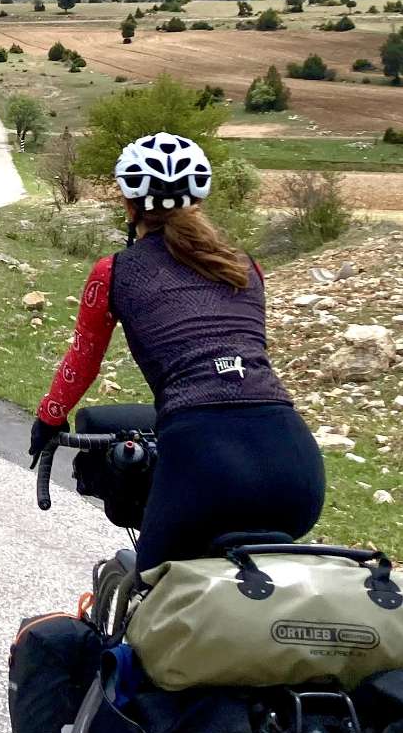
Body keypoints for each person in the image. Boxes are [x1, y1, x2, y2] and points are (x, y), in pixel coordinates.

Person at [27, 131, 324, 569]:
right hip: (296, 467)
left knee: (152, 587)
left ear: (128, 204)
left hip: (202, 459)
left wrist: (49, 418)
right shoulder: (245, 266)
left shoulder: (115, 271)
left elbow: (83, 359)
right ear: (198, 200)